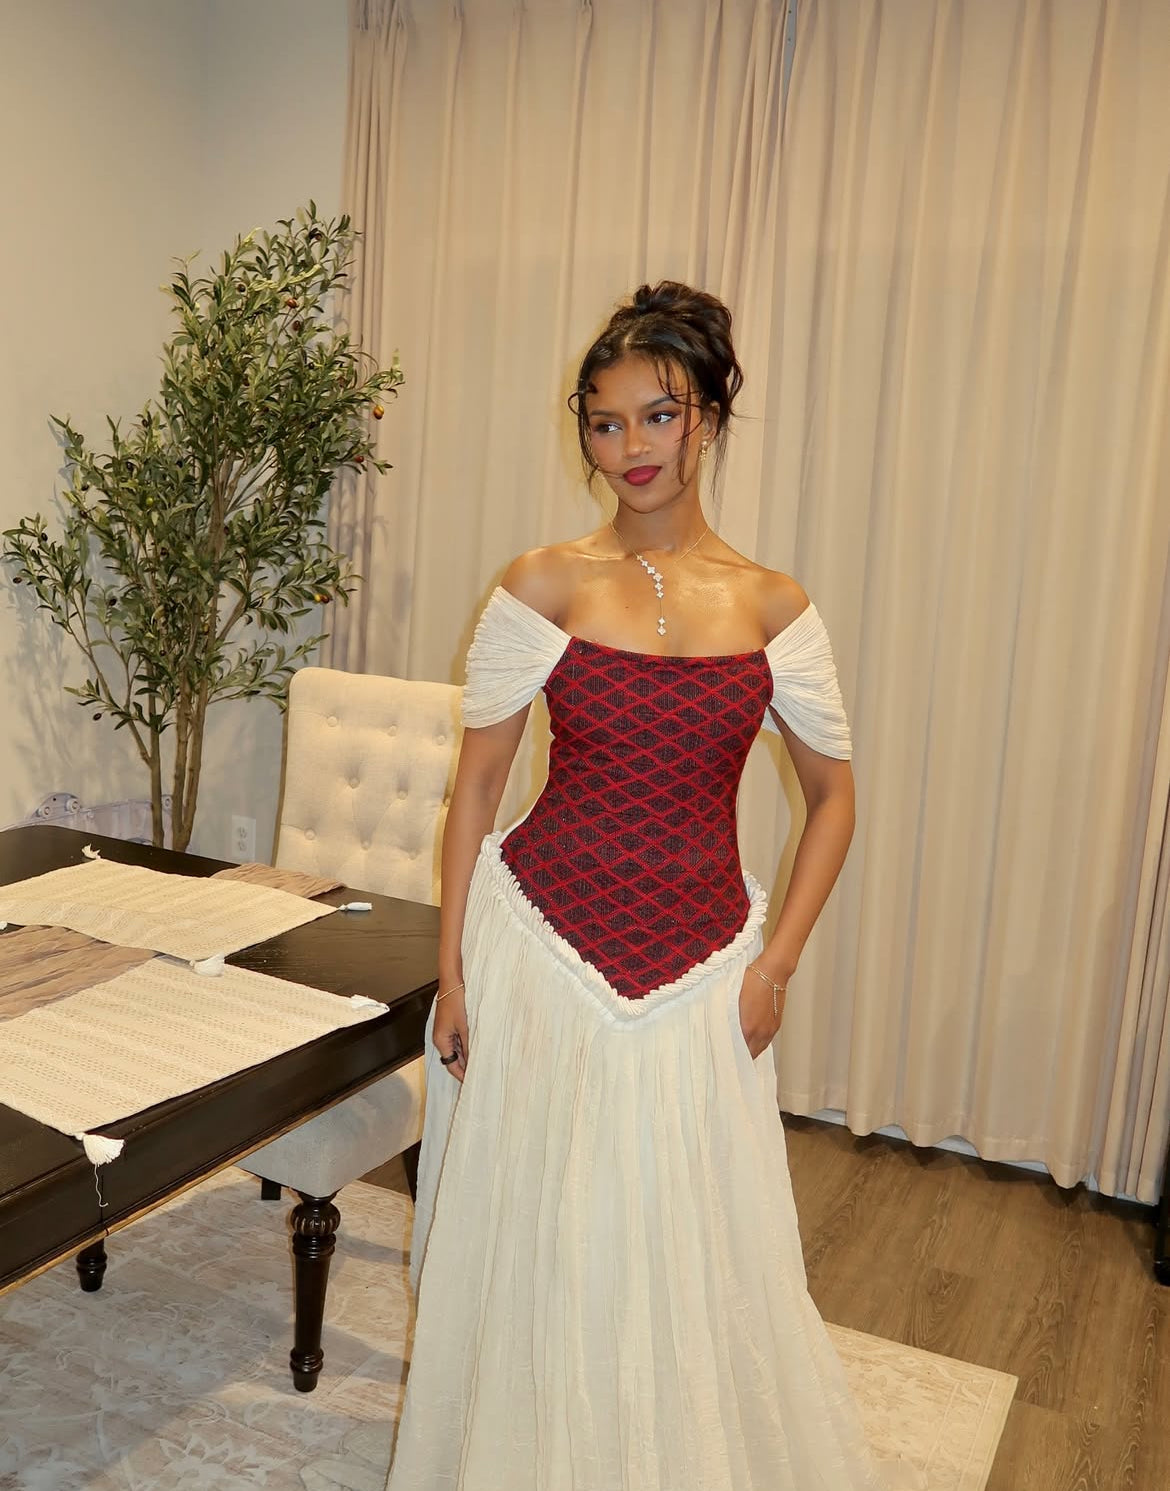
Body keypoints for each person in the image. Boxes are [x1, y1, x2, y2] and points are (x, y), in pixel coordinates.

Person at [385, 282, 893, 1489]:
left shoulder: (775, 607)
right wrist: (453, 971)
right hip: (543, 948)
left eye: (656, 418)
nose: (630, 451)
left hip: (705, 967)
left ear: (707, 417)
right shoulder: (545, 583)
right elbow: (477, 791)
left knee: (680, 1244)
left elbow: (837, 800)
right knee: (539, 1231)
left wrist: (777, 964)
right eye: (604, 425)